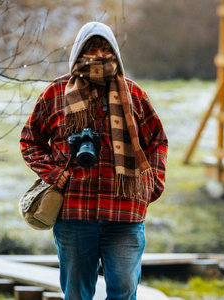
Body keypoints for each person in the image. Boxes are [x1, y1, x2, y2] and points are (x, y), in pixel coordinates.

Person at [20, 22, 168, 300]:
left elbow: (157, 141)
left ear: (114, 54)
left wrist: (152, 185)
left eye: (105, 49)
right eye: (91, 49)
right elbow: (29, 141)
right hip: (75, 213)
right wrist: (53, 174)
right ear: (78, 54)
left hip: (125, 214)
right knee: (76, 295)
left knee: (124, 293)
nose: (99, 55)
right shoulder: (55, 93)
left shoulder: (134, 95)